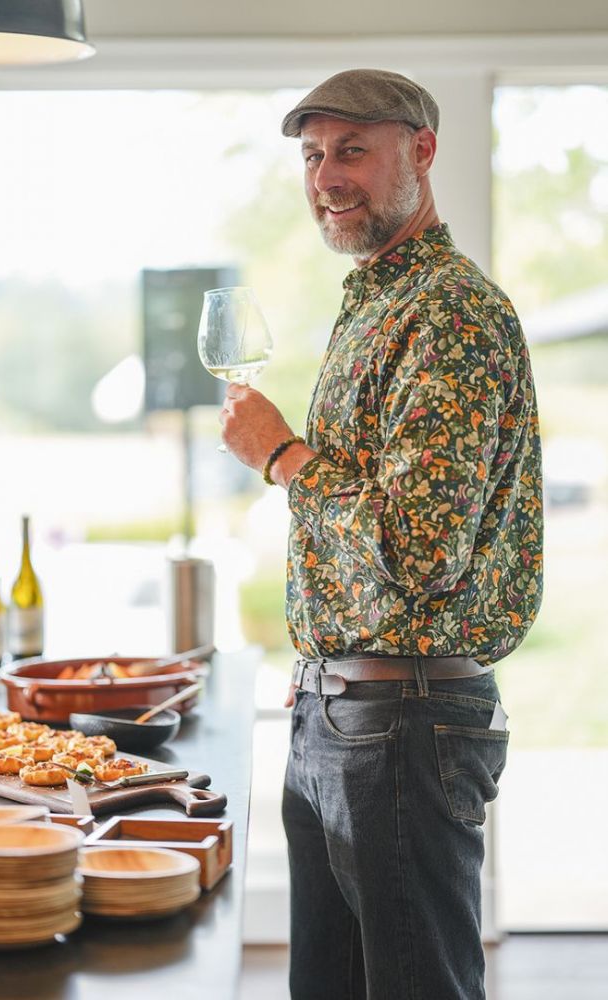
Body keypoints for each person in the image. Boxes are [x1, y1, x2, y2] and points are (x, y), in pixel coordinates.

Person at [220, 69, 543, 1000]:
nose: (327, 176)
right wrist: (321, 657)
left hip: (403, 725)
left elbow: (417, 550)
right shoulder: (374, 303)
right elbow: (369, 538)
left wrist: (281, 452)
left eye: (353, 150)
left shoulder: (449, 313)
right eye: (315, 156)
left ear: (423, 151)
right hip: (339, 711)